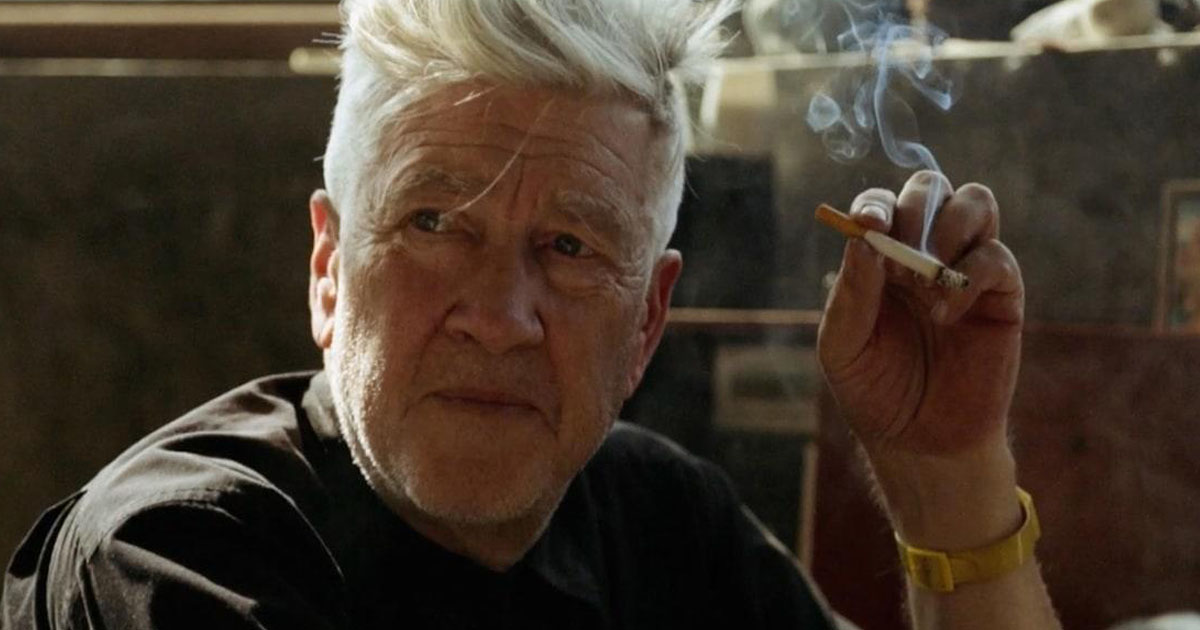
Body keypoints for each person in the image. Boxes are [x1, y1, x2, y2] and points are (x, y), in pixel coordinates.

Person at [2, 0, 1061, 628]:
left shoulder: (658, 525)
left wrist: (948, 473)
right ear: (328, 269)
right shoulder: (179, 556)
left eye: (569, 247)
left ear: (646, 324)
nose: (501, 317)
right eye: (434, 224)